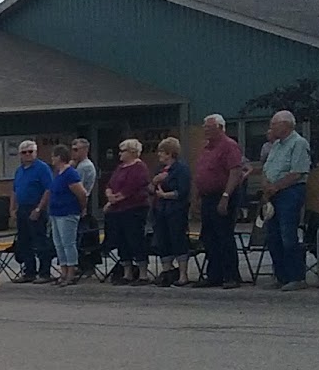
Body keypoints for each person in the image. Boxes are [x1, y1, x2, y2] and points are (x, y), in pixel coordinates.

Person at [255, 110, 311, 290]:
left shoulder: (298, 143)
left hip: (290, 192)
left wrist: (276, 186)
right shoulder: (276, 145)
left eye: (273, 124)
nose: (270, 128)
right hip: (273, 194)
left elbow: (297, 172)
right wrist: (265, 184)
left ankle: (296, 277)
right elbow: (266, 168)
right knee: (273, 236)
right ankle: (281, 276)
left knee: (288, 235)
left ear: (285, 125)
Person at [193, 113, 246, 290]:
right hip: (207, 197)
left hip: (223, 195)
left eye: (209, 127)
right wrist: (198, 196)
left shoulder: (229, 146)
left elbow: (235, 172)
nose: (205, 130)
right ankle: (214, 275)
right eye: (205, 127)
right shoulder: (206, 148)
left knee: (224, 235)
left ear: (221, 128)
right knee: (209, 237)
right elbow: (202, 173)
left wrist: (225, 196)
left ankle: (231, 276)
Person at [102, 137, 152, 282]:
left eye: (123, 151)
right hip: (118, 211)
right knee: (122, 241)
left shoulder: (139, 167)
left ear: (132, 152)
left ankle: (143, 274)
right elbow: (110, 184)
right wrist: (109, 195)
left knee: (135, 240)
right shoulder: (120, 168)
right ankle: (127, 273)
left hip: (134, 209)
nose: (120, 154)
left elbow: (132, 188)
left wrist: (114, 200)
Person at [148, 136, 193, 285]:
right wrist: (154, 182)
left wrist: (165, 195)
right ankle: (167, 272)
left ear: (169, 153)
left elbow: (183, 191)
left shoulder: (181, 169)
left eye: (162, 152)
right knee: (163, 241)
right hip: (160, 210)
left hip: (176, 211)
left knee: (178, 239)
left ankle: (183, 275)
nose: (159, 155)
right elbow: (150, 190)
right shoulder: (159, 169)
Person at [9, 139, 54, 282]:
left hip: (36, 207)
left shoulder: (42, 168)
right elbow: (15, 190)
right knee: (24, 242)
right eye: (24, 152)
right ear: (20, 154)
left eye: (30, 151)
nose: (27, 154)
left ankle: (45, 273)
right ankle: (29, 272)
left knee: (40, 241)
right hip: (22, 208)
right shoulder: (19, 170)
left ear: (36, 152)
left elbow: (48, 189)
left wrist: (39, 208)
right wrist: (12, 208)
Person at [46, 144, 88, 283]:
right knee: (58, 244)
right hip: (55, 213)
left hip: (68, 213)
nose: (52, 159)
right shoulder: (58, 173)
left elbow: (81, 193)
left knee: (68, 243)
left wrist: (82, 208)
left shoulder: (70, 173)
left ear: (59, 157)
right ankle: (63, 271)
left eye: (54, 156)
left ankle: (71, 272)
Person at [70, 137, 100, 277]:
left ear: (85, 150)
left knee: (83, 237)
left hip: (82, 203)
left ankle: (86, 265)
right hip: (79, 203)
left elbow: (78, 187)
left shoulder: (84, 166)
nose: (73, 152)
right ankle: (82, 265)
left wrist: (82, 208)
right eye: (72, 149)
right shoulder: (77, 165)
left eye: (76, 150)